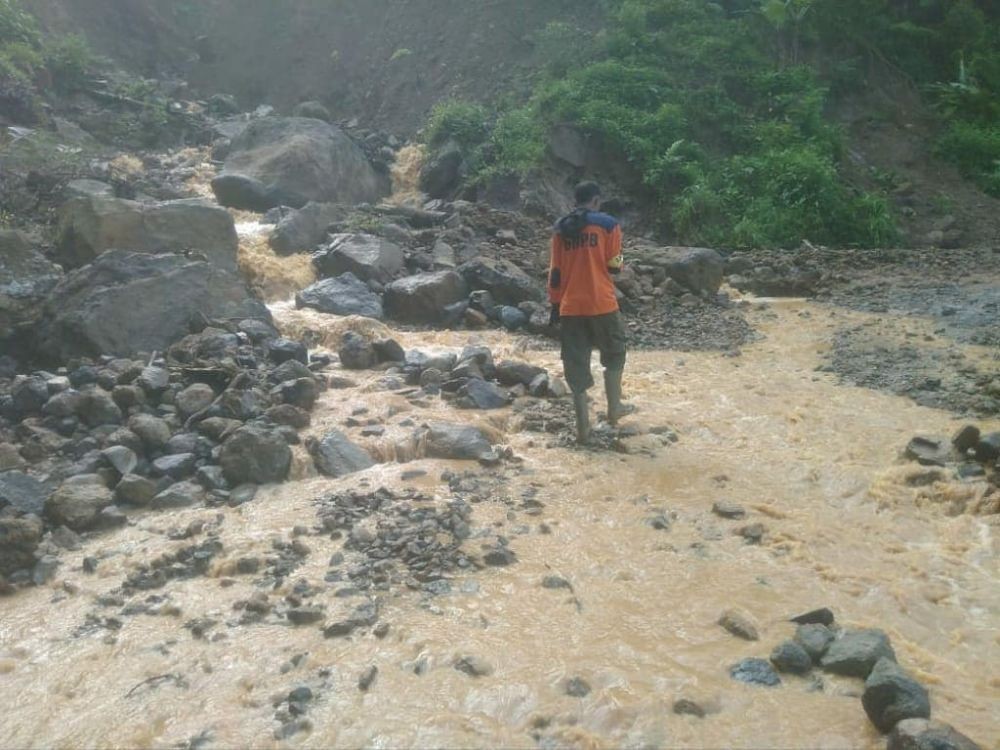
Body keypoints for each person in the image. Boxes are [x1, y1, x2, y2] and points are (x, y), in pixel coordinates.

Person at [548, 181, 633, 444]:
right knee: (614, 354)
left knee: (575, 366)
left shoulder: (561, 229)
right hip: (602, 303)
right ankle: (613, 411)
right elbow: (614, 265)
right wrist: (619, 260)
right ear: (596, 200)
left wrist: (555, 304)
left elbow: (555, 273)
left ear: (576, 200)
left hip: (570, 307)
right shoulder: (608, 224)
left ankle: (583, 431)